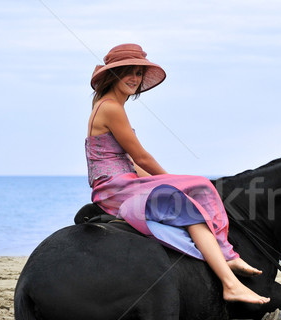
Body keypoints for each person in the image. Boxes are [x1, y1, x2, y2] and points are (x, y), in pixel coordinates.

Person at [86, 43, 270, 305]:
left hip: (118, 183)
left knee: (188, 196)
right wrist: (172, 182)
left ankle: (227, 258)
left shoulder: (109, 105)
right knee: (198, 189)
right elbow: (141, 157)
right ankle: (230, 281)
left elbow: (126, 161)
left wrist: (163, 182)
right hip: (115, 188)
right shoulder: (111, 107)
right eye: (129, 72)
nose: (135, 79)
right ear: (113, 75)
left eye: (139, 73)